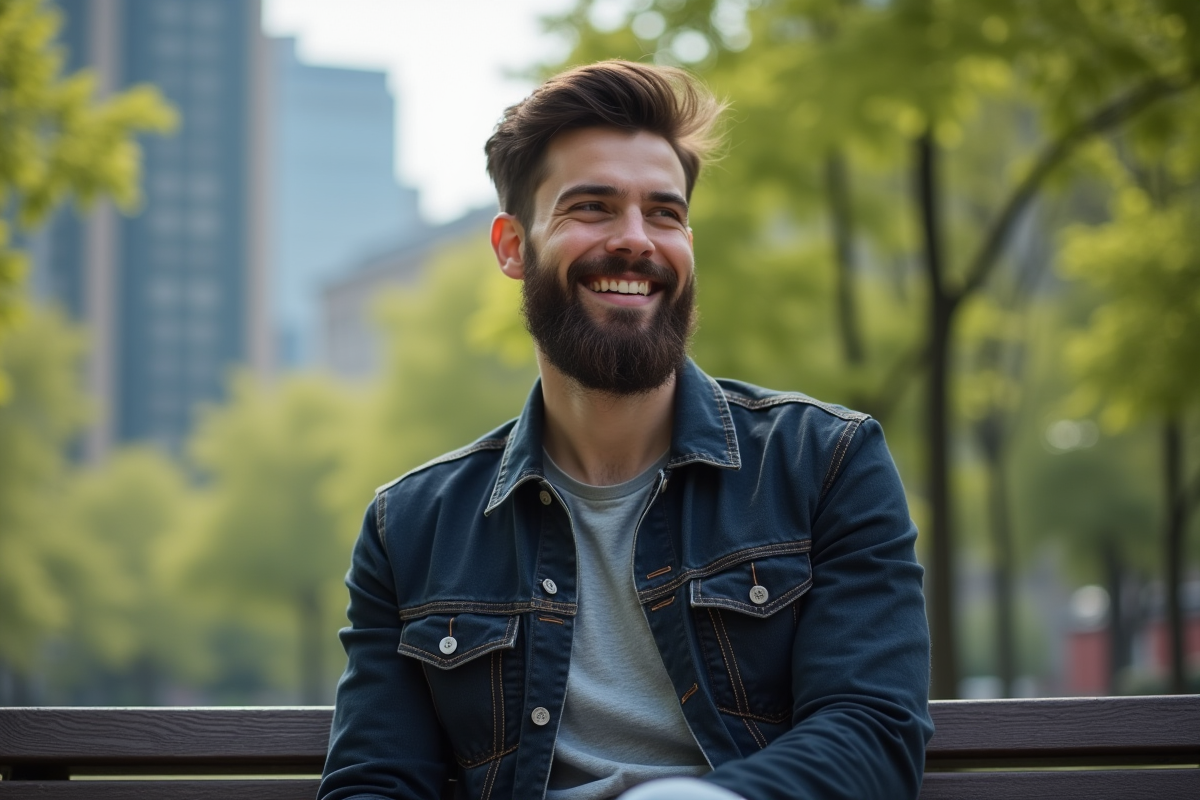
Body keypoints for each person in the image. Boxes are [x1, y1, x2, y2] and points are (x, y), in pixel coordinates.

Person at [319, 60, 932, 800]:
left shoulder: (826, 463)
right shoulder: (409, 528)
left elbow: (871, 730)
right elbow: (376, 784)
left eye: (664, 213)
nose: (637, 240)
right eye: (593, 208)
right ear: (514, 247)